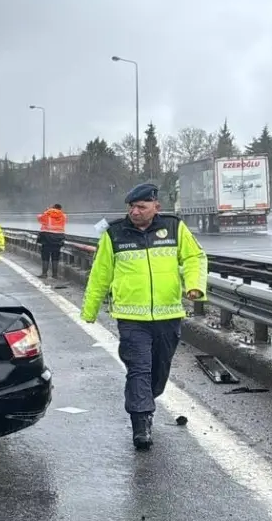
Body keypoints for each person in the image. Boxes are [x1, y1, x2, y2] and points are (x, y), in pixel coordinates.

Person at [81, 183, 206, 450]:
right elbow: (100, 275)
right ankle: (141, 423)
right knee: (139, 369)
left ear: (156, 207)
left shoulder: (174, 227)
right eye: (132, 207)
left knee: (158, 371)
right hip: (131, 318)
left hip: (168, 315)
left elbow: (195, 256)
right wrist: (89, 310)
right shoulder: (114, 234)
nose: (135, 211)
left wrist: (195, 285)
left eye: (141, 207)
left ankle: (147, 402)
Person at [37, 203, 67, 278]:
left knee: (45, 256)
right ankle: (55, 274)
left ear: (53, 207)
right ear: (60, 209)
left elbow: (40, 219)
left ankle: (44, 274)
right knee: (55, 256)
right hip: (59, 237)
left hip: (47, 237)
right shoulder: (63, 216)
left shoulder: (47, 214)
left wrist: (46, 211)